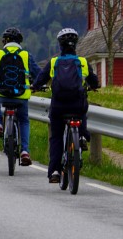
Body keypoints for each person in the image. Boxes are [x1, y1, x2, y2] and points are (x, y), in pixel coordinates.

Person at [32, 27, 99, 184]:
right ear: (75, 44)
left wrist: (34, 87)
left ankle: (55, 171)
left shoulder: (54, 62)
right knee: (82, 110)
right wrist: (94, 86)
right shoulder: (82, 62)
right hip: (77, 105)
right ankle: (82, 135)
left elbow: (40, 79)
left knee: (56, 137)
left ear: (60, 45)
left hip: (58, 106)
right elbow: (94, 81)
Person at [0, 27, 40, 166]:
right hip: (21, 96)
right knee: (24, 121)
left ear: (4, 41)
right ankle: (25, 151)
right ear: (20, 41)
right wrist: (37, 85)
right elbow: (38, 73)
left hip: (1, 94)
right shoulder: (26, 55)